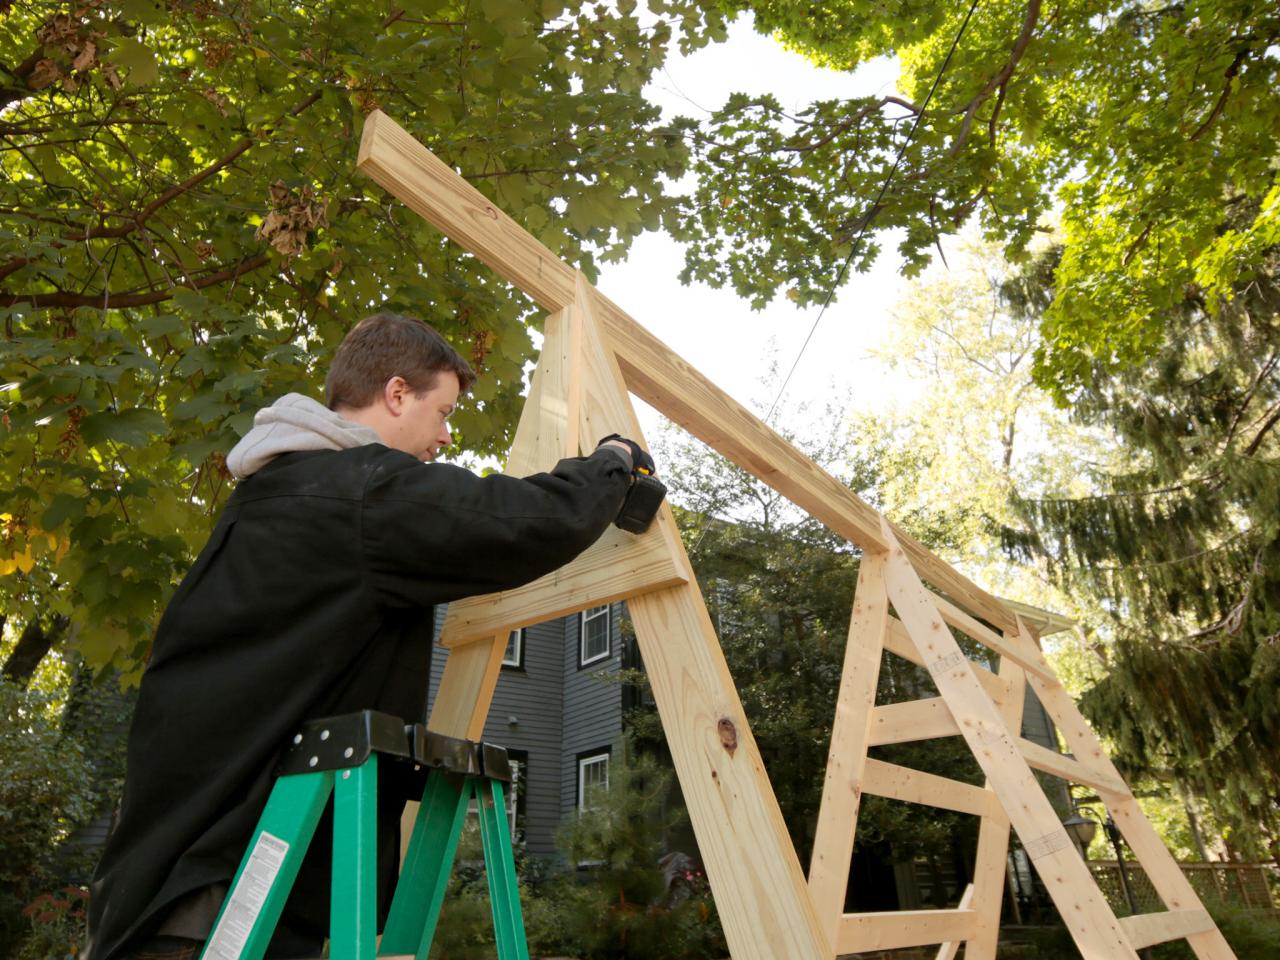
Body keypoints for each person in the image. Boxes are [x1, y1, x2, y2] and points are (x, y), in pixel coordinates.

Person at [86, 312, 646, 960]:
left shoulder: (270, 496)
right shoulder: (363, 497)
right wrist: (612, 462)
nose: (444, 437)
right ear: (398, 393)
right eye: (443, 413)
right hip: (226, 898)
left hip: (174, 875)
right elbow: (518, 521)